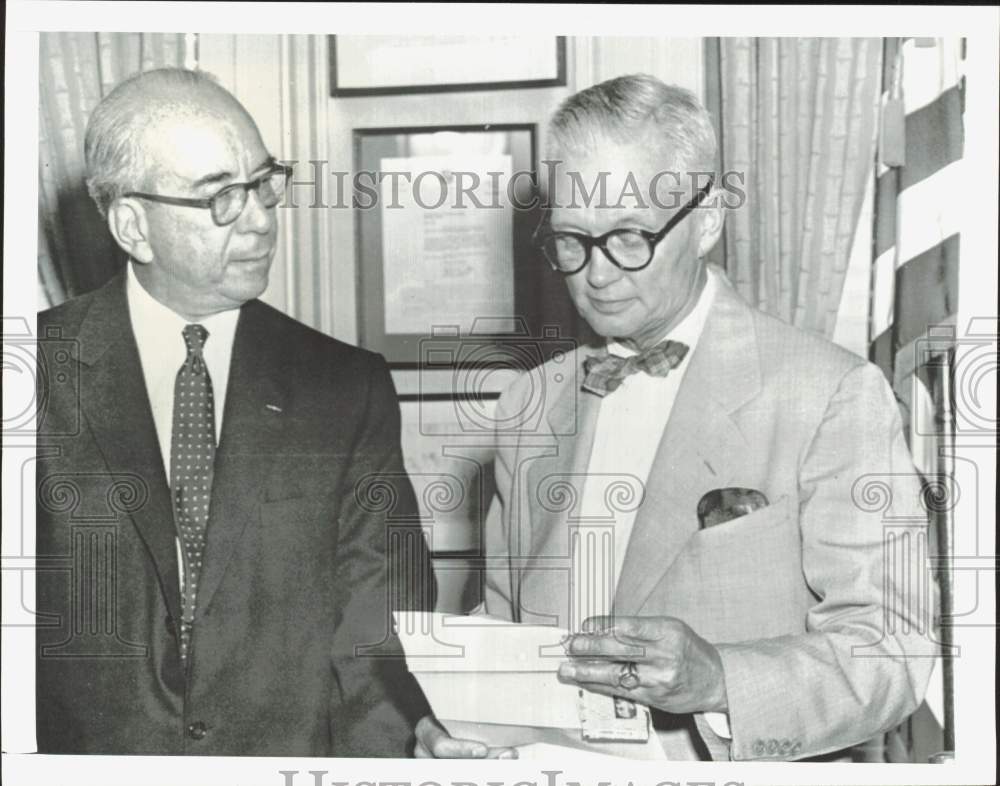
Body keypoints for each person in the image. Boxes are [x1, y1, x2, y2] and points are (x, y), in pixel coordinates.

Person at [415, 74, 935, 761]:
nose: (596, 274)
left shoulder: (831, 393)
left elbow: (889, 655)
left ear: (709, 220)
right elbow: (510, 628)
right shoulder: (527, 406)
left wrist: (721, 680)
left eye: (629, 236)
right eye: (572, 240)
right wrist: (461, 724)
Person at [35, 67, 433, 756]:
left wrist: (408, 745)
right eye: (219, 196)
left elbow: (378, 628)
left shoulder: (345, 387)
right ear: (134, 225)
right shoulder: (32, 372)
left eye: (261, 183)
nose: (258, 218)